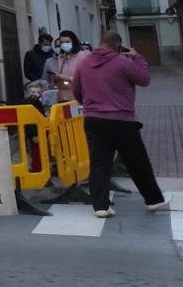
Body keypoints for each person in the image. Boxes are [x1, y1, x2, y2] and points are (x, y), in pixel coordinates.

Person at [72, 31, 172, 218]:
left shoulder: (83, 63)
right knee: (137, 162)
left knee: (99, 164)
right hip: (121, 119)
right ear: (117, 46)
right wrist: (138, 58)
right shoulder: (122, 62)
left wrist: (89, 105)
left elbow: (76, 89)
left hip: (93, 119)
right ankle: (153, 200)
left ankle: (100, 206)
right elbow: (144, 79)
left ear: (100, 43)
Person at [45, 30, 85, 102]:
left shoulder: (81, 56)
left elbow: (85, 78)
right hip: (64, 95)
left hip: (79, 95)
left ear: (74, 42)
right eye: (62, 42)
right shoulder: (61, 58)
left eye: (67, 42)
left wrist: (66, 77)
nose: (64, 44)